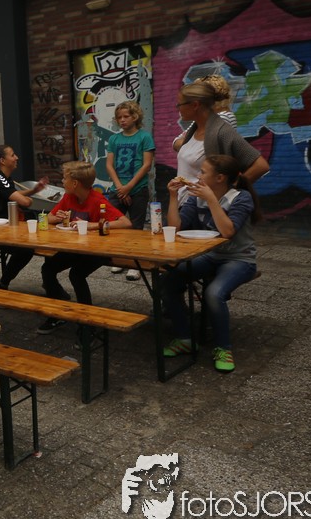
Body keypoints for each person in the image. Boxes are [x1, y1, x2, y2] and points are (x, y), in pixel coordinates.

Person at [161, 155, 261, 373]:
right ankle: (184, 339)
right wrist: (173, 196)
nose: (198, 176)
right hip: (210, 255)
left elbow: (227, 232)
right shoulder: (196, 197)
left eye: (203, 172)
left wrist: (212, 200)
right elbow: (175, 228)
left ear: (220, 178)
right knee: (167, 281)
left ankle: (223, 348)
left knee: (214, 293)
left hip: (239, 258)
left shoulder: (241, 198)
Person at [37, 160, 130, 334]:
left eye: (64, 178)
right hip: (76, 248)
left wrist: (92, 225)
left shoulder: (97, 200)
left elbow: (125, 222)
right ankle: (57, 312)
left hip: (98, 250)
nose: (62, 181)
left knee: (76, 274)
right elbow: (49, 217)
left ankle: (87, 324)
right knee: (48, 268)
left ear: (74, 183)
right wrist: (59, 217)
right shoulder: (69, 197)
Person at [172, 81, 268, 203]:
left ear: (195, 105)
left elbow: (261, 166)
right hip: (185, 208)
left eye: (179, 104)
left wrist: (229, 193)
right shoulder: (194, 129)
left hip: (205, 211)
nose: (178, 108)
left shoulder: (222, 131)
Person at [0, 145, 48, 290]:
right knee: (26, 250)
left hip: (7, 227)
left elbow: (12, 193)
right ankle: (3, 283)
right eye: (12, 155)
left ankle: (49, 279)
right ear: (2, 161)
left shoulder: (3, 178)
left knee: (46, 231)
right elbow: (24, 202)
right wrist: (29, 200)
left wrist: (33, 191)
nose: (16, 157)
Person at [105, 101, 155, 281]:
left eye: (126, 116)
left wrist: (129, 187)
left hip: (138, 189)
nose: (122, 120)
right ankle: (120, 259)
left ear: (135, 116)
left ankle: (135, 263)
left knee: (136, 226)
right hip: (118, 189)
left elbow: (146, 165)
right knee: (115, 225)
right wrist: (120, 187)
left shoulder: (144, 137)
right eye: (119, 117)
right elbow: (109, 165)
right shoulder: (114, 139)